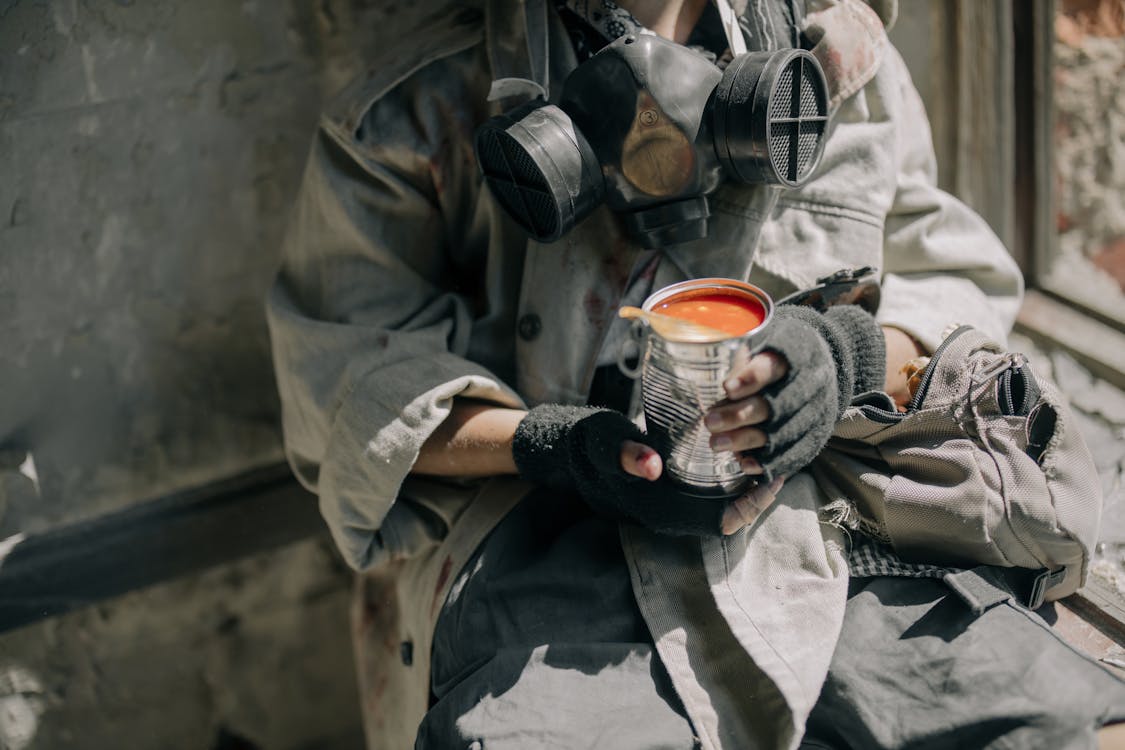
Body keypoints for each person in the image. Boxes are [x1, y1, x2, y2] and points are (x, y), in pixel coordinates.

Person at [266, 0, 1125, 747]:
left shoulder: (841, 68)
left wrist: (845, 354)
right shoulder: (406, 118)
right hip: (541, 549)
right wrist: (548, 446)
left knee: (1036, 720)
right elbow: (343, 388)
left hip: (817, 527)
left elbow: (953, 282)